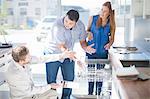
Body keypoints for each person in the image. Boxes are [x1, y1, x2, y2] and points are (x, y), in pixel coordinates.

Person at [44, 9, 95, 99]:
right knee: (52, 80)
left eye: (70, 23)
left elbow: (82, 41)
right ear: (65, 16)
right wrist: (77, 60)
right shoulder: (57, 26)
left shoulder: (80, 26)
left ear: (76, 22)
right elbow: (62, 47)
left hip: (68, 53)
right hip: (53, 53)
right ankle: (52, 97)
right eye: (66, 21)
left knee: (69, 79)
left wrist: (86, 48)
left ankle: (66, 97)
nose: (67, 24)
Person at [5, 46, 75, 99]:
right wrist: (50, 86)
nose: (31, 57)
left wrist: (61, 56)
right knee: (51, 93)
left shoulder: (21, 60)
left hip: (32, 94)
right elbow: (30, 91)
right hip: (23, 97)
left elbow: (41, 59)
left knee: (53, 93)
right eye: (29, 57)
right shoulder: (14, 74)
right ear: (21, 61)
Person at [86, 1, 116, 95]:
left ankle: (98, 95)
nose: (102, 12)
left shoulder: (111, 23)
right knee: (91, 76)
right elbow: (86, 31)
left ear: (109, 13)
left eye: (105, 11)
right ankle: (90, 95)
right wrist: (89, 33)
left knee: (99, 76)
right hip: (91, 51)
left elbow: (112, 39)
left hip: (102, 53)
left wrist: (109, 44)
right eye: (102, 10)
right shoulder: (93, 18)